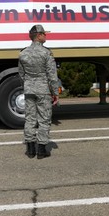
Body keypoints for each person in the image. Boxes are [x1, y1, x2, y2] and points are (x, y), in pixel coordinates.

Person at [18, 24, 61, 159]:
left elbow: (21, 74)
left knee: (30, 118)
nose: (45, 36)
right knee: (44, 119)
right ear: (39, 35)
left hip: (29, 89)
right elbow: (52, 75)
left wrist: (27, 85)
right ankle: (41, 150)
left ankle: (30, 149)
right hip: (43, 90)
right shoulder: (46, 53)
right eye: (44, 34)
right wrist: (55, 93)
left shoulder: (23, 53)